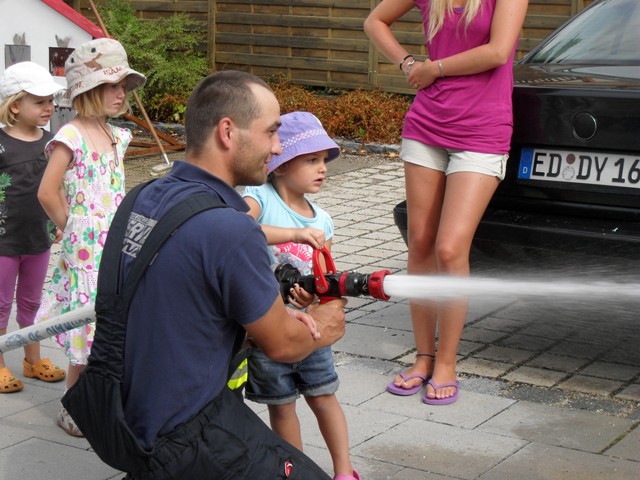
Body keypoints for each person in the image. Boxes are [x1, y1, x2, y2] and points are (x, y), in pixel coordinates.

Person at [76, 70, 348, 479]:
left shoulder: (142, 198)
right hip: (185, 433)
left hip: (125, 420)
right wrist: (326, 322)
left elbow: (173, 296)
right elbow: (285, 346)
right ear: (228, 132)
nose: (277, 147)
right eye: (271, 132)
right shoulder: (230, 228)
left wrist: (261, 315)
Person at [364, 0, 528, 404]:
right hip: (426, 125)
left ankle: (447, 363)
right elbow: (375, 21)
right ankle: (423, 358)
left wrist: (433, 68)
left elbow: (498, 52)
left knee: (450, 247)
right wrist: (407, 63)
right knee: (420, 242)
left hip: (482, 130)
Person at [36, 38, 146, 434]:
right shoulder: (72, 135)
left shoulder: (115, 135)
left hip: (114, 242)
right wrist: (70, 225)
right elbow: (47, 191)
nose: (121, 94)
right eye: (111, 86)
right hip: (85, 247)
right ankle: (73, 403)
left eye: (123, 86)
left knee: (112, 323)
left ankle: (105, 399)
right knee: (86, 326)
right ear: (87, 90)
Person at [243, 111, 360, 480]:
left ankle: (344, 471)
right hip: (267, 330)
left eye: (323, 159)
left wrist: (317, 299)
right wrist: (293, 235)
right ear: (279, 165)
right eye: (311, 160)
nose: (322, 168)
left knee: (323, 397)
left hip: (311, 332)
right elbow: (238, 228)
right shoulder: (258, 198)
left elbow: (325, 278)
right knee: (282, 407)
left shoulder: (323, 221)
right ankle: (297, 472)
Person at [0, 61, 66, 393]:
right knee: (0, 305)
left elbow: (59, 185)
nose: (49, 107)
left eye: (51, 100)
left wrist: (60, 220)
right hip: (3, 241)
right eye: (40, 101)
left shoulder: (53, 142)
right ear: (15, 105)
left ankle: (32, 359)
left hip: (38, 239)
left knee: (31, 304)